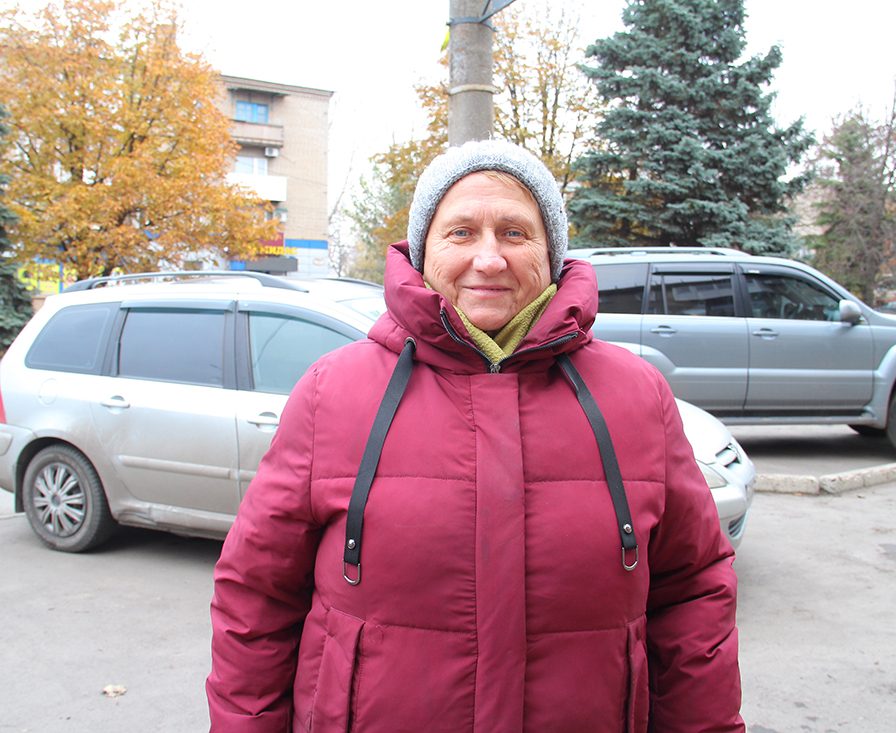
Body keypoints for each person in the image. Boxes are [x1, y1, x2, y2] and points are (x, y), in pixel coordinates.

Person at [207, 140, 744, 733]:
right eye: (461, 232)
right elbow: (256, 597)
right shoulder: (332, 392)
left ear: (551, 252)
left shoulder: (636, 395)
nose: (488, 259)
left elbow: (692, 591)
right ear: (423, 251)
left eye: (514, 233)